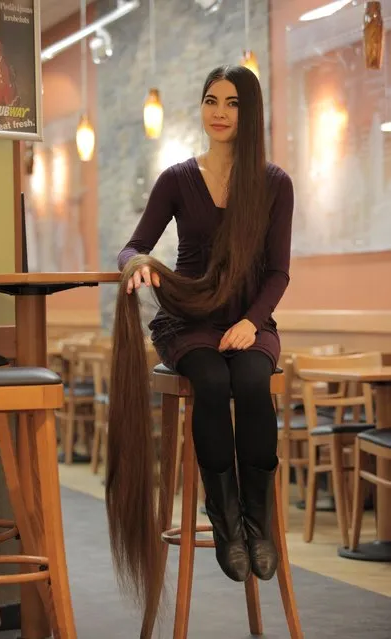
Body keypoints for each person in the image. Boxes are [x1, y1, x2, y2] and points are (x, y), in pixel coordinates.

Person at [112, 65, 294, 592]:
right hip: (188, 319)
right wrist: (139, 264)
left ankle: (258, 526)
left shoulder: (274, 184)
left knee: (253, 382)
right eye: (211, 100)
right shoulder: (176, 179)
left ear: (250, 111)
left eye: (232, 103)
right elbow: (132, 245)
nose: (218, 112)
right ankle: (225, 521)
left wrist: (250, 322)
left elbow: (278, 270)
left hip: (248, 320)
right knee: (212, 382)